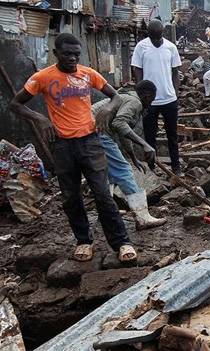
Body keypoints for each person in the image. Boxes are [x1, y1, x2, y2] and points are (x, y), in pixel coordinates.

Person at [9, 33, 137, 263]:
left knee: (102, 194)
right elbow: (16, 104)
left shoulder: (88, 74)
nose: (72, 58)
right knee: (70, 196)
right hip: (62, 145)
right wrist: (41, 118)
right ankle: (84, 241)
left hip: (90, 141)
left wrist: (109, 108)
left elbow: (116, 96)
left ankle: (122, 242)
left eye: (76, 54)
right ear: (56, 53)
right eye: (67, 54)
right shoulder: (43, 77)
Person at [92, 80, 167, 230]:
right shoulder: (135, 102)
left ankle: (106, 213)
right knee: (123, 171)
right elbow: (119, 124)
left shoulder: (126, 98)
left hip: (89, 132)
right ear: (147, 95)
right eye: (152, 99)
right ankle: (142, 217)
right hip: (97, 132)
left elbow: (123, 134)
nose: (151, 103)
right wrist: (145, 144)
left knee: (109, 175)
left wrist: (134, 158)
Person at [132, 19, 183, 175]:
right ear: (148, 33)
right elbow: (137, 70)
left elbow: (176, 72)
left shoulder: (171, 47)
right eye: (153, 37)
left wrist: (175, 92)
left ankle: (176, 167)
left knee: (172, 136)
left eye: (158, 36)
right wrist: (141, 93)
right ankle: (152, 168)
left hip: (169, 99)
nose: (155, 40)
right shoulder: (141, 47)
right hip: (149, 102)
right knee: (149, 136)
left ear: (162, 33)